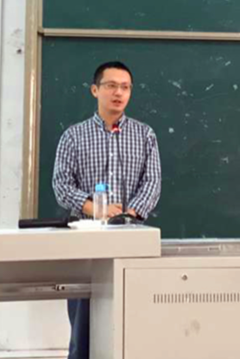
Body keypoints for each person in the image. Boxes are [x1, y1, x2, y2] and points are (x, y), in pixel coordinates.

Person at [52, 61, 162, 359]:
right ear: (95, 90)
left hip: (132, 241)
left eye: (125, 87)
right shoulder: (73, 136)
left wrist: (128, 216)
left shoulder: (145, 135)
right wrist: (96, 209)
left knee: (134, 327)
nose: (118, 93)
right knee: (83, 331)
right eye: (111, 85)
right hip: (85, 243)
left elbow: (152, 183)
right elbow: (61, 185)